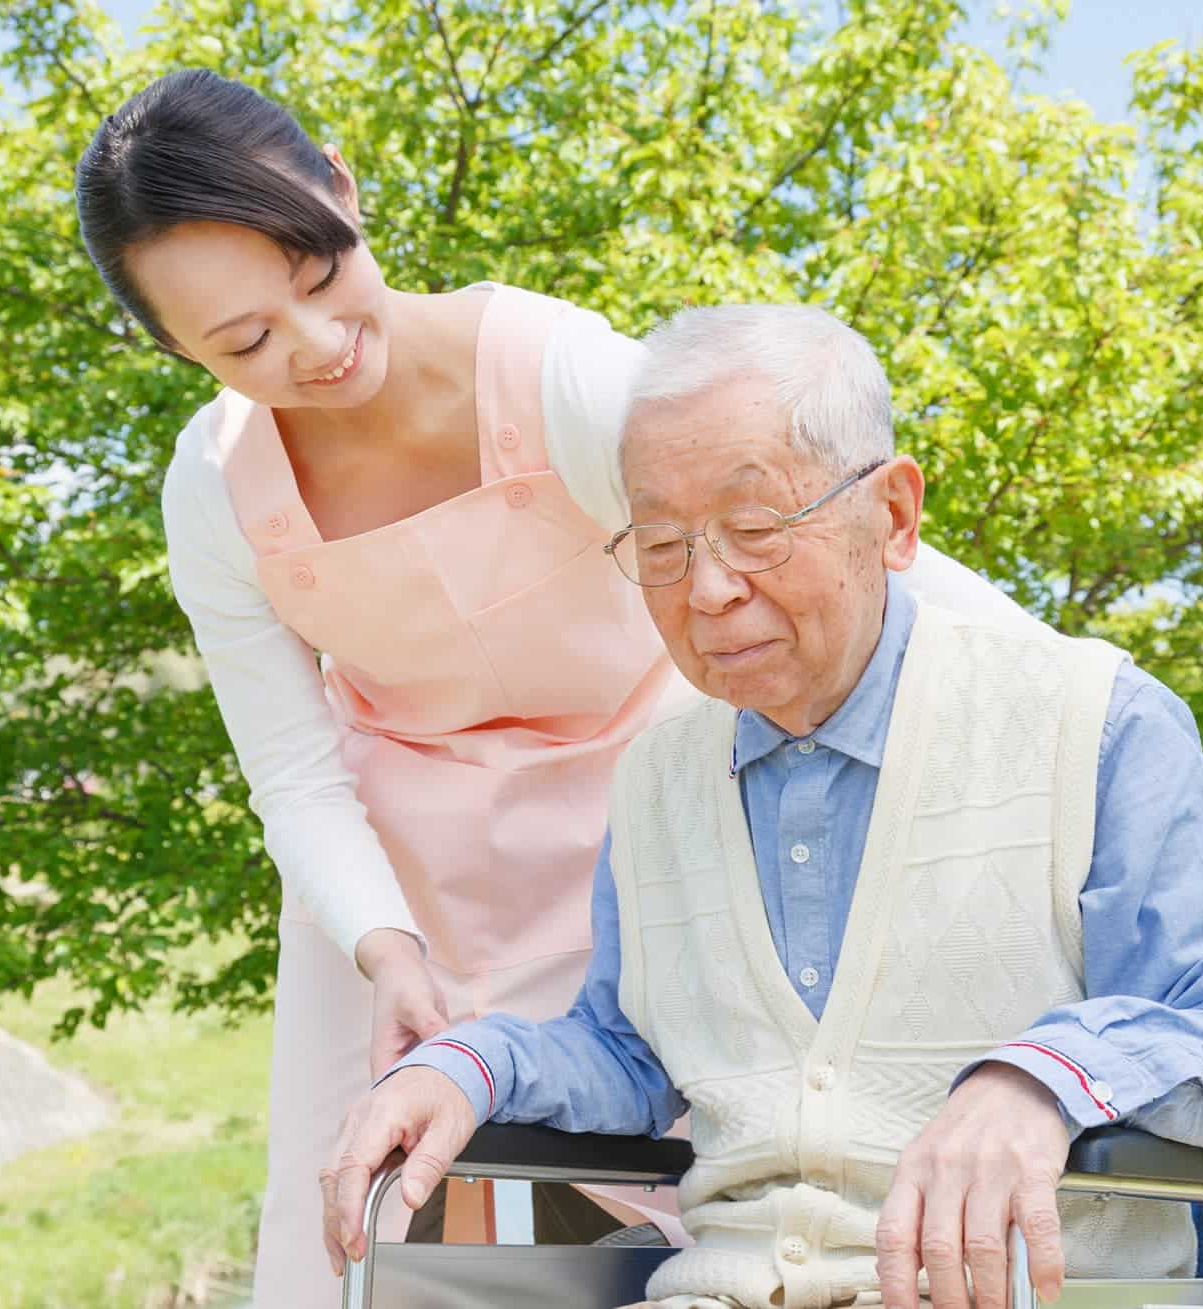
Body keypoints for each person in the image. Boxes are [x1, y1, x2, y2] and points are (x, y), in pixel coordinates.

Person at [75, 72, 1038, 1307]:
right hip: (389, 872)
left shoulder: (550, 371)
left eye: (318, 276)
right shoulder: (213, 487)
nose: (317, 349)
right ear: (173, 350)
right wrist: (384, 945)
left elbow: (817, 529)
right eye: (246, 342)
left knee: (710, 1179)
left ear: (343, 190)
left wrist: (1073, 704)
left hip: (637, 823)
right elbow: (292, 766)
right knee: (352, 1208)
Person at [325, 305, 1203, 1309]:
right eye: (662, 547)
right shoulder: (658, 775)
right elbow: (627, 1053)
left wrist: (1043, 1079)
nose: (706, 589)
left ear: (892, 517)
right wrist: (466, 1067)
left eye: (754, 531)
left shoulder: (1098, 722)